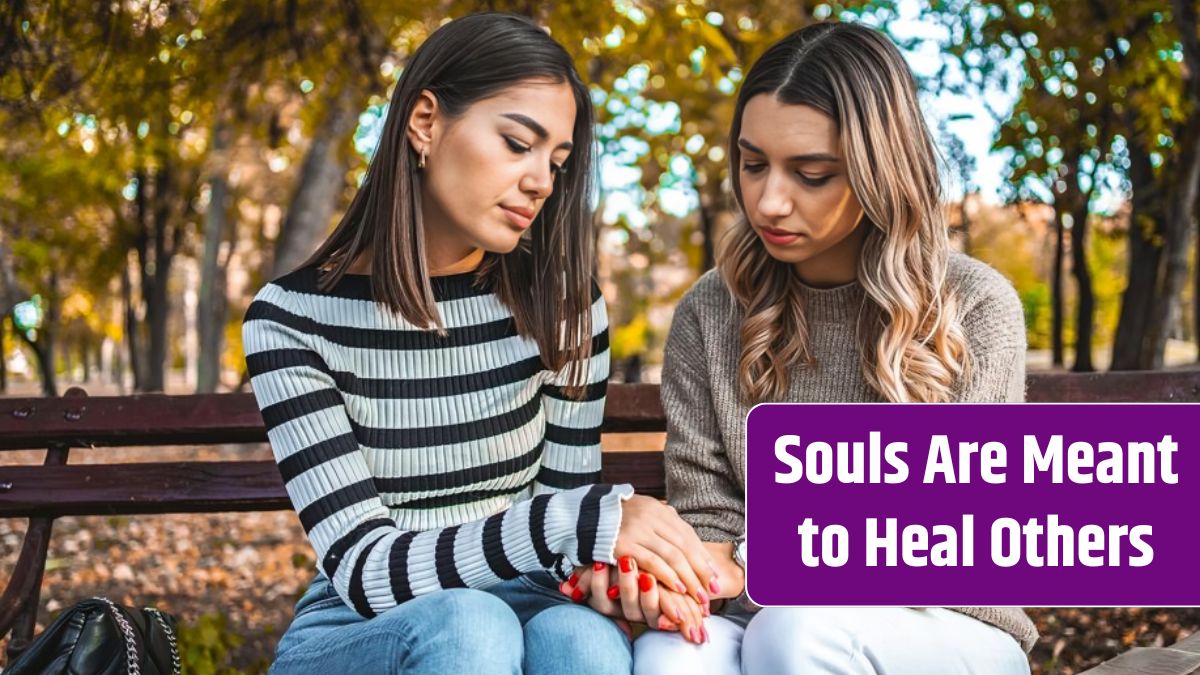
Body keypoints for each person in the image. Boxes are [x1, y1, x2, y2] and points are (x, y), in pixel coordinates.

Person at [242, 13, 716, 675]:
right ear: (426, 122)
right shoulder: (293, 320)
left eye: (557, 161)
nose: (541, 181)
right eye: (517, 144)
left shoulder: (564, 308)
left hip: (526, 602)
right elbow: (366, 570)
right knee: (471, 622)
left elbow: (565, 537)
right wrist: (580, 521)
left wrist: (606, 574)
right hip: (360, 630)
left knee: (585, 642)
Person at [566, 21, 1039, 674]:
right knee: (674, 655)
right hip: (764, 615)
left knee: (797, 634)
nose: (769, 200)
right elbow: (709, 516)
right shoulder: (711, 310)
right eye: (753, 163)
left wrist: (748, 562)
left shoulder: (975, 305)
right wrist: (665, 575)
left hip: (947, 625)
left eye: (811, 172)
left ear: (880, 170)